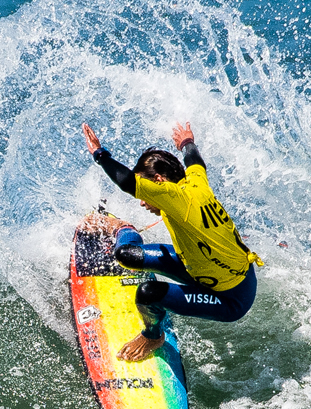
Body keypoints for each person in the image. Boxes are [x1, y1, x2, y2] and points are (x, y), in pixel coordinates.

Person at [81, 120, 262, 362]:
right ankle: (123, 227)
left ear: (159, 182)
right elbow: (195, 162)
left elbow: (126, 182)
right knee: (126, 254)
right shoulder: (195, 184)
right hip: (197, 266)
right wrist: (187, 142)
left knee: (147, 294)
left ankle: (153, 336)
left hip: (230, 297)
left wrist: (99, 154)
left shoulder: (173, 197)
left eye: (146, 193)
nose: (143, 202)